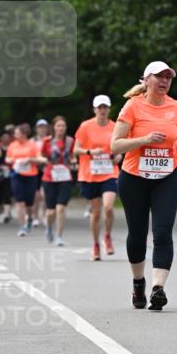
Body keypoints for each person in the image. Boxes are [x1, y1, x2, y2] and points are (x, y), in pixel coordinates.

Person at [111, 60, 177, 310]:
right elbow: (116, 145)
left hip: (167, 176)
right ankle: (139, 282)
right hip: (134, 177)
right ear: (146, 80)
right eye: (159, 76)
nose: (164, 81)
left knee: (162, 232)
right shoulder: (132, 107)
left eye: (168, 77)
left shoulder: (176, 106)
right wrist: (145, 139)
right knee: (137, 235)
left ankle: (158, 288)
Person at [74, 95, 122, 261]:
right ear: (94, 109)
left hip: (109, 172)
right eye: (99, 107)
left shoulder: (115, 126)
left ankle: (107, 236)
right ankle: (95, 245)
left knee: (108, 207)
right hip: (90, 174)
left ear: (109, 109)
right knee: (95, 214)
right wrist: (90, 152)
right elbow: (76, 149)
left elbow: (120, 148)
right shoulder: (85, 126)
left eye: (105, 107)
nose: (102, 110)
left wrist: (118, 157)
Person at [38, 116, 76, 246]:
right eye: (58, 126)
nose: (60, 128)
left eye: (63, 126)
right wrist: (46, 161)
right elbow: (40, 156)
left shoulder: (70, 141)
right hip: (49, 177)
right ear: (53, 127)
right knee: (50, 212)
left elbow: (72, 156)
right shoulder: (47, 141)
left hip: (65, 177)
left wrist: (73, 161)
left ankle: (59, 236)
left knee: (60, 208)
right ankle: (49, 228)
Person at [5, 124, 40, 236]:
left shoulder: (32, 145)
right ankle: (22, 226)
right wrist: (12, 160)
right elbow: (7, 158)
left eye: (17, 133)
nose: (15, 135)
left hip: (30, 175)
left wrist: (29, 159)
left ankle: (29, 217)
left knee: (29, 203)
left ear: (24, 134)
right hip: (17, 175)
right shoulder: (12, 145)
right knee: (19, 201)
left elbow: (39, 159)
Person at [0, 130, 14, 223]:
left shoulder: (12, 148)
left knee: (8, 193)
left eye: (7, 137)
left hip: (9, 174)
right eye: (4, 137)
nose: (5, 139)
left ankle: (6, 214)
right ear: (0, 138)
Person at [33, 119, 50, 226]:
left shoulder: (50, 140)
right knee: (36, 195)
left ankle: (44, 215)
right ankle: (35, 216)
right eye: (40, 127)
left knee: (45, 195)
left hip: (47, 169)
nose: (42, 129)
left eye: (44, 127)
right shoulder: (32, 141)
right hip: (35, 170)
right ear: (37, 129)